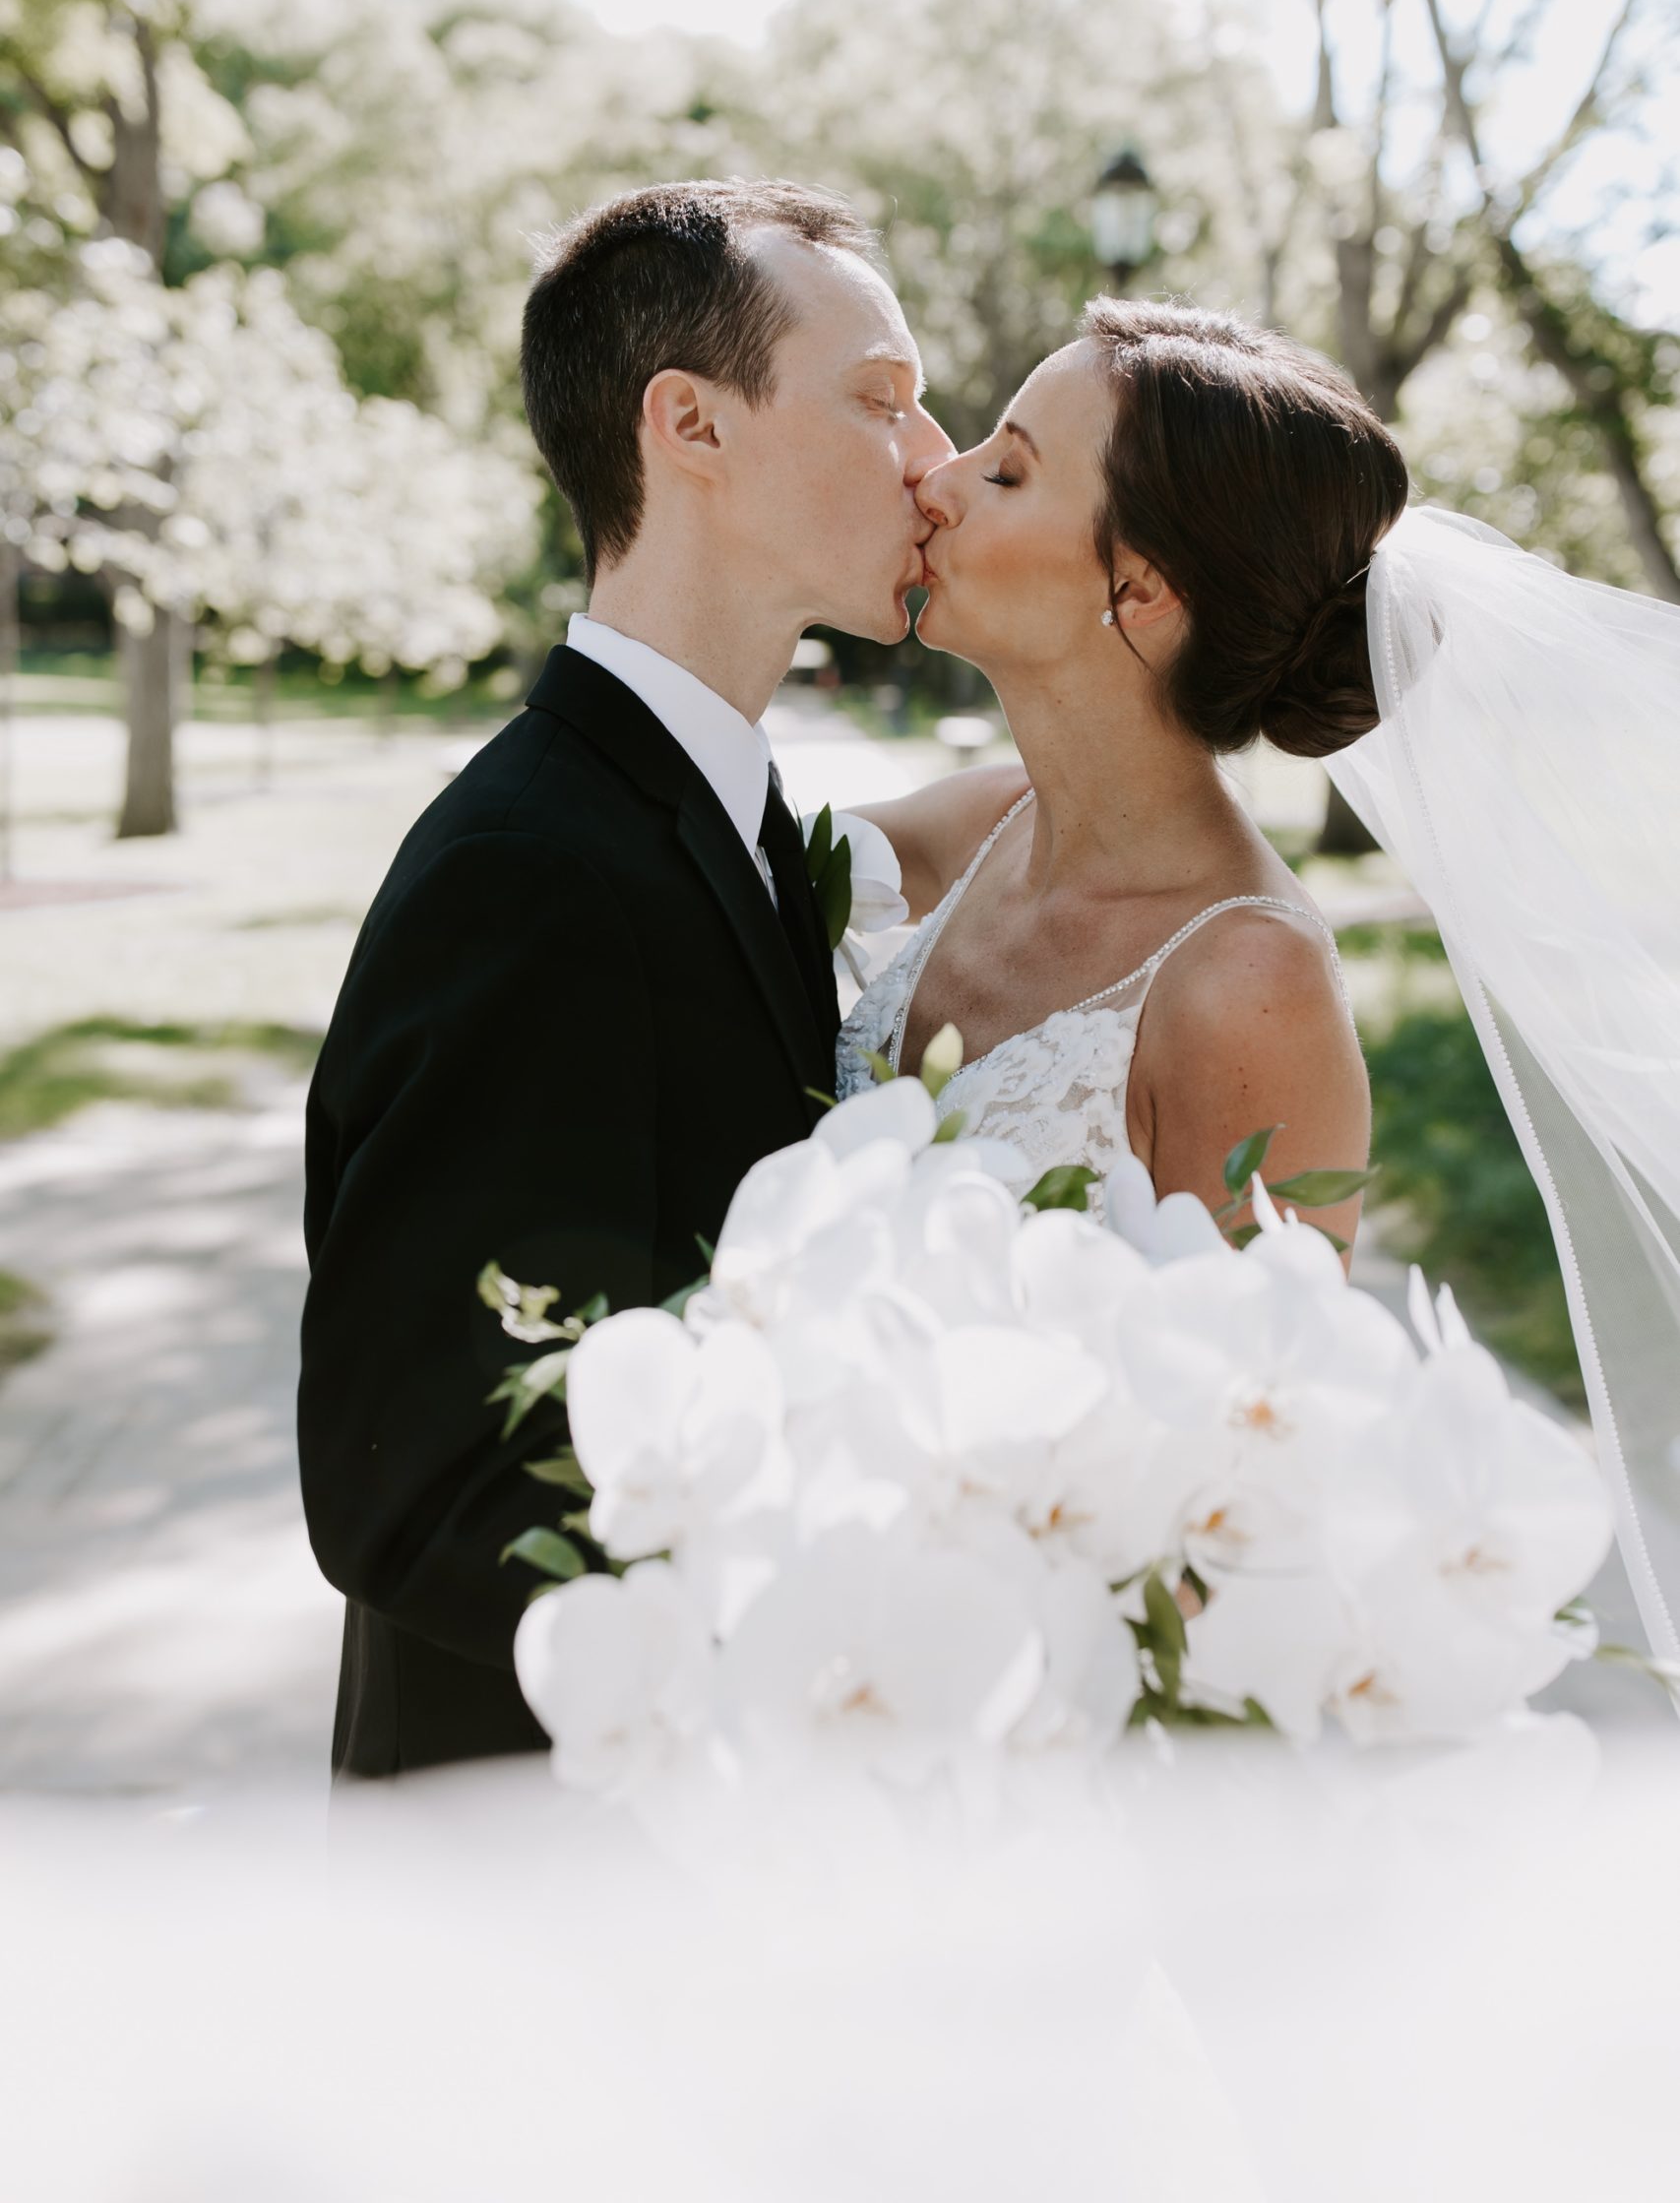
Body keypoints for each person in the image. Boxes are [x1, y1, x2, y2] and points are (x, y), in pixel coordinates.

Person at [300, 179, 951, 1779]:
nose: (931, 457)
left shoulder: (719, 817)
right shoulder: (529, 874)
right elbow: (413, 1491)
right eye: (879, 399)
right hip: (539, 1887)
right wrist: (832, 1653)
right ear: (690, 426)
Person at [840, 299, 1401, 1256]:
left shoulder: (1251, 989)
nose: (939, 478)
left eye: (1007, 470)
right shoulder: (977, 824)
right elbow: (695, 862)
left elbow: (1255, 1390)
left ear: (1137, 589)